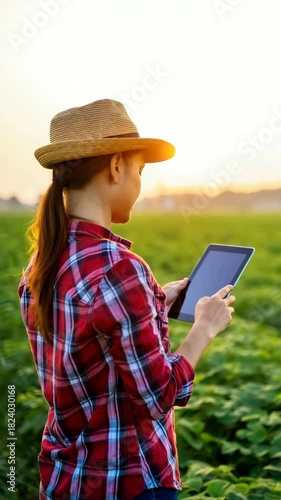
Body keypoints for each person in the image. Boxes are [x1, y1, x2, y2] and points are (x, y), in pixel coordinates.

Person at [18, 99, 236, 500]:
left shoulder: (42, 264)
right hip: (129, 480)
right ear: (117, 166)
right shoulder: (120, 269)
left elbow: (95, 357)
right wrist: (203, 329)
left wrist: (153, 305)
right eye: (140, 170)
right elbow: (159, 396)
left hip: (66, 478)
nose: (139, 183)